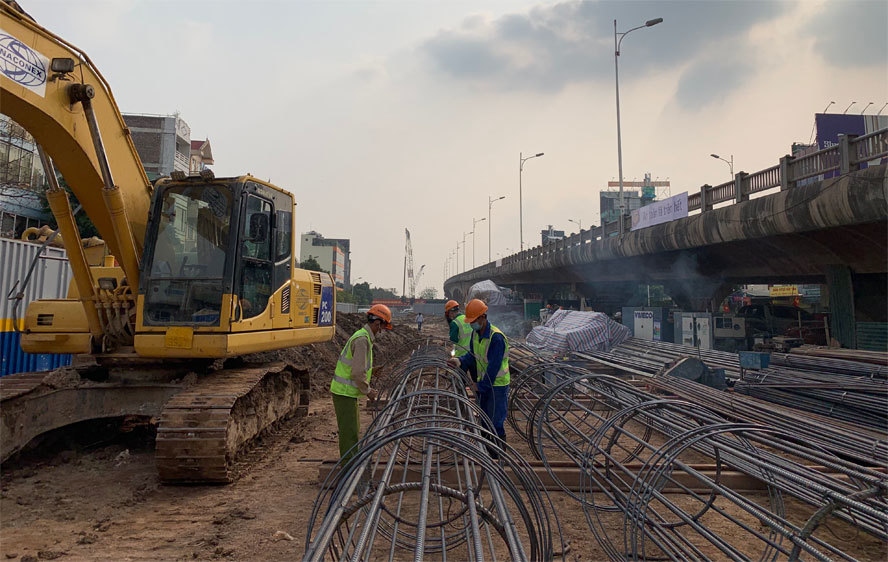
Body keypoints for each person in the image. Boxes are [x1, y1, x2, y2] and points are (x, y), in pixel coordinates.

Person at [447, 299, 510, 457]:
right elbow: (472, 356)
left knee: (495, 423)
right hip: (486, 385)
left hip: (497, 386)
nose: (472, 324)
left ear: (483, 317)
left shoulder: (496, 338)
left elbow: (494, 368)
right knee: (484, 422)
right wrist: (459, 360)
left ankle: (497, 459)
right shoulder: (476, 334)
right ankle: (487, 456)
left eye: (474, 321)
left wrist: (479, 387)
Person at [330, 303, 392, 463]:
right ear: (377, 323)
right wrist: (368, 391)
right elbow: (357, 373)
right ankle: (347, 473)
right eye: (382, 327)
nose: (382, 331)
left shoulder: (363, 337)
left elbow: (358, 368)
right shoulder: (362, 340)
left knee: (353, 430)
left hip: (347, 394)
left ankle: (350, 465)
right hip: (344, 393)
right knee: (349, 433)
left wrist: (372, 371)